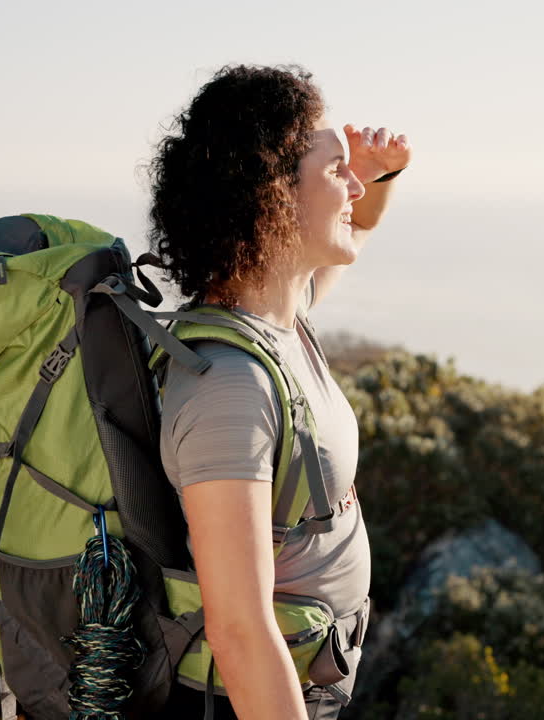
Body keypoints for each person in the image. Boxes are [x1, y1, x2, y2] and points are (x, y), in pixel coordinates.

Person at [149, 64, 409, 720]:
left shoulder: (277, 321)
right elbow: (239, 632)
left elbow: (358, 231)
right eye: (334, 170)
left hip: (310, 672)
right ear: (270, 196)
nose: (354, 186)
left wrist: (378, 179)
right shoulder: (230, 391)